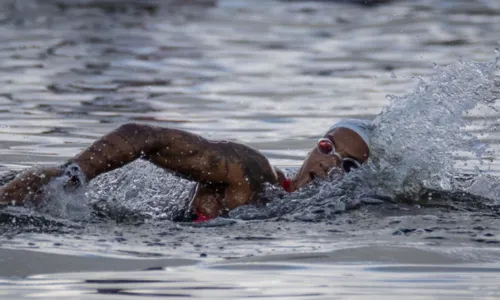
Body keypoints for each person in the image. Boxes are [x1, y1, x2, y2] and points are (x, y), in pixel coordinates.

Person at [0, 119, 372, 221]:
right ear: (314, 147)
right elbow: (142, 134)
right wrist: (76, 177)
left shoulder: (304, 215)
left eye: (350, 167)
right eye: (328, 148)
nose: (329, 166)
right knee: (36, 186)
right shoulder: (252, 171)